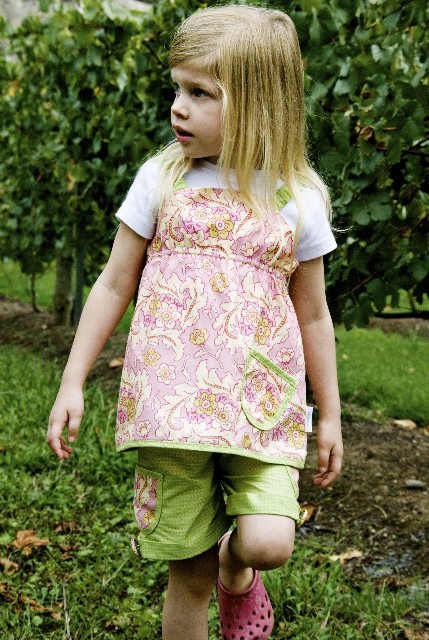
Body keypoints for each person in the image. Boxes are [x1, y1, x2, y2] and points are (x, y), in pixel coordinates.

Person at [46, 4, 343, 639]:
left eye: (200, 93)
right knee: (189, 572)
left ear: (258, 103)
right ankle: (213, 574)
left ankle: (240, 567)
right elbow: (114, 282)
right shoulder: (162, 180)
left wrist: (330, 413)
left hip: (260, 407)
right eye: (177, 89)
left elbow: (314, 314)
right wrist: (73, 380)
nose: (177, 107)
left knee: (268, 542)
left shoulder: (297, 198)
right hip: (171, 408)